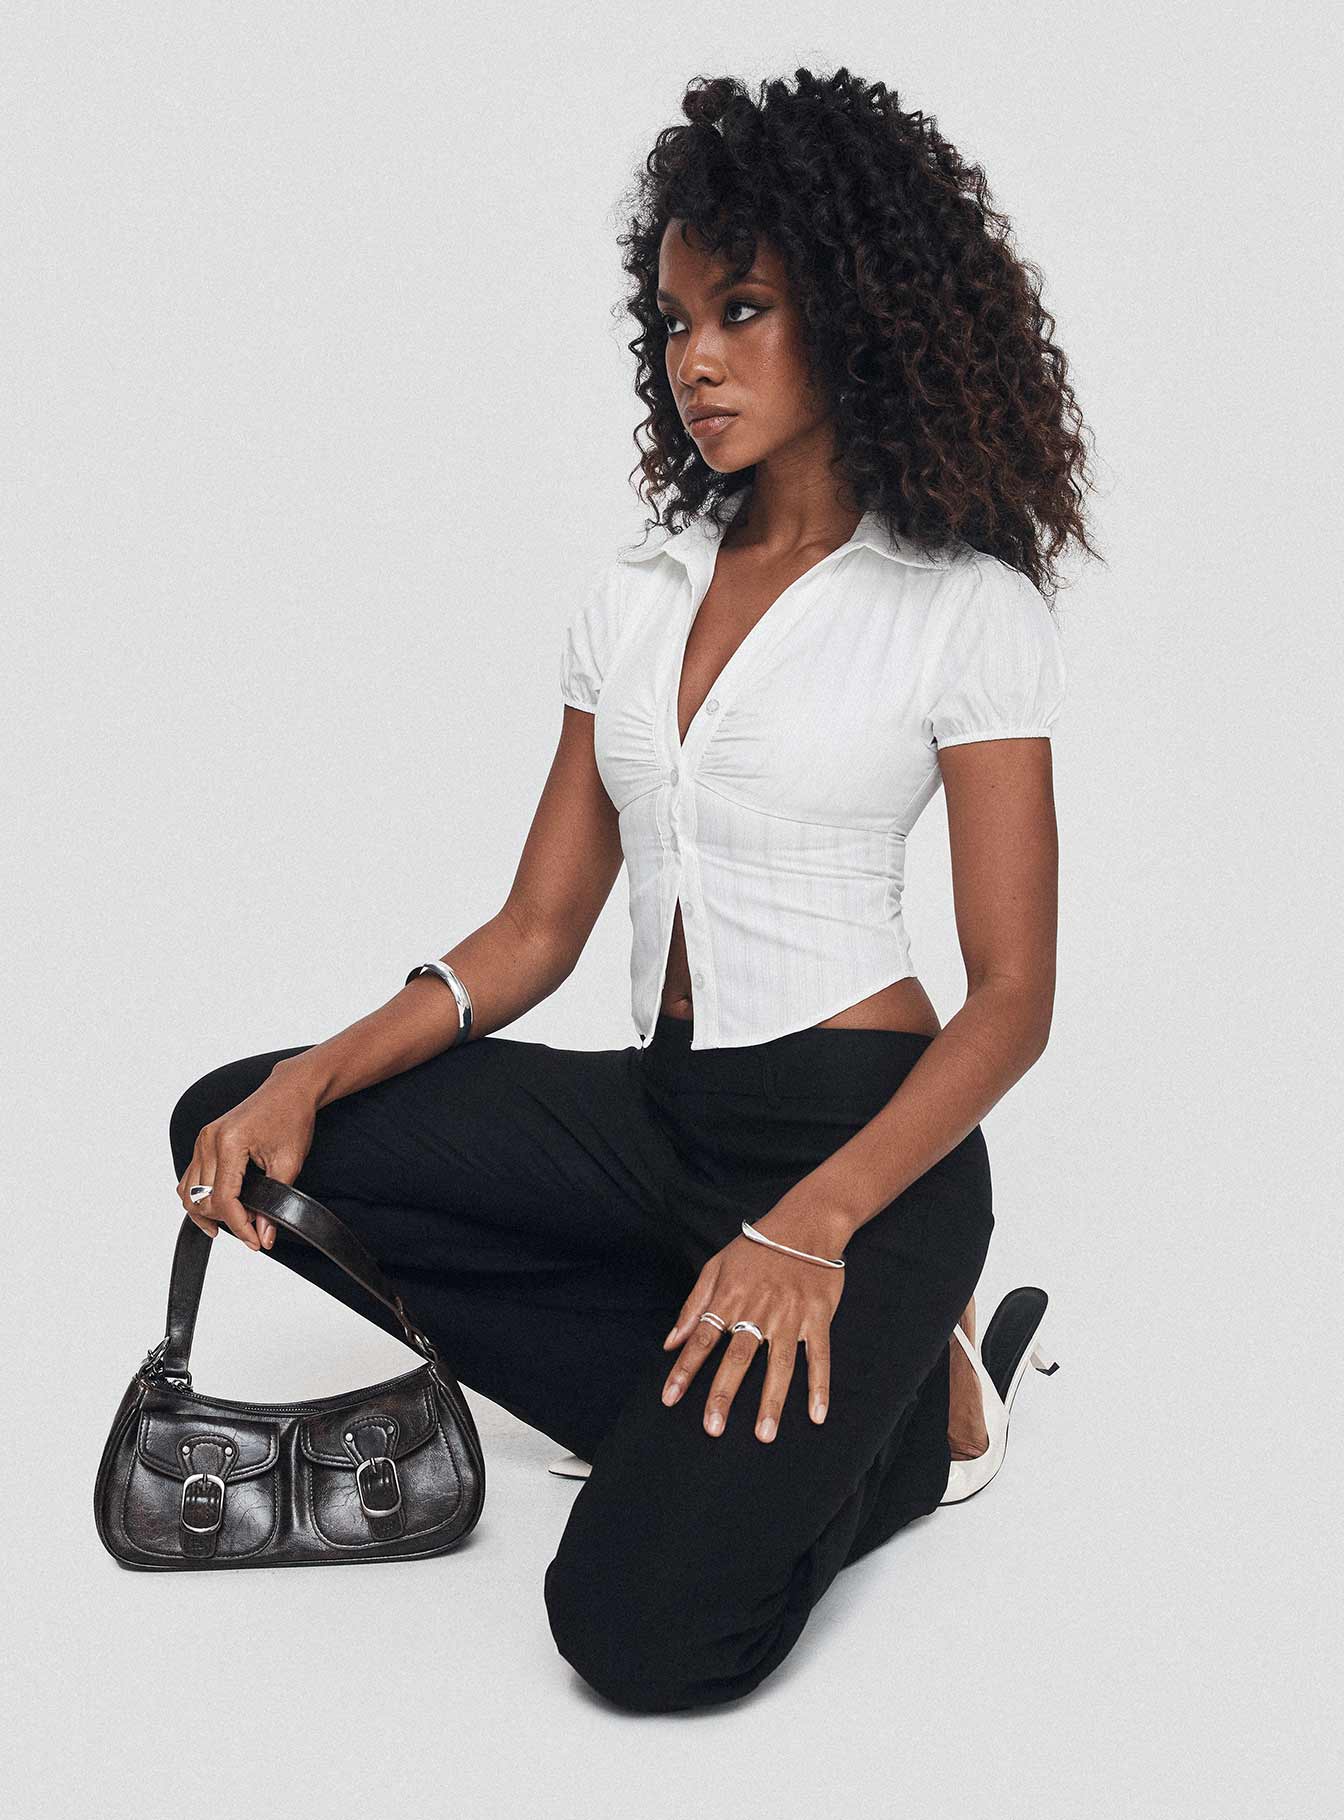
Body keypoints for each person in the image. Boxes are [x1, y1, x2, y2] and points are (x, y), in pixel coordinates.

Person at [169, 67, 1098, 1711]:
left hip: (858, 1150)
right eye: (674, 323)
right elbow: (539, 930)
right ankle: (728, 1411)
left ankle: (915, 1423)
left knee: (639, 1638)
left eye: (742, 309)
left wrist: (813, 1227)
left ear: (855, 311)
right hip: (659, 1121)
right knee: (245, 1126)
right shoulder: (639, 593)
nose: (696, 360)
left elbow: (1013, 1000)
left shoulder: (963, 609)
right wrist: (312, 1072)